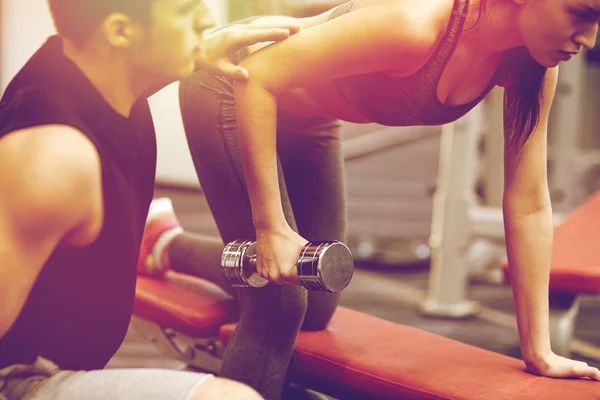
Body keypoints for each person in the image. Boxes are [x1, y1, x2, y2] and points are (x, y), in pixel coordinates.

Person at [137, 0, 600, 398]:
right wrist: (270, 229)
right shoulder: (414, 23)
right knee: (278, 304)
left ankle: (166, 243)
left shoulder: (532, 68)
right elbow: (256, 79)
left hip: (307, 121)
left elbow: (529, 202)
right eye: (581, 13)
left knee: (315, 302)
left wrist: (538, 348)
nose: (590, 38)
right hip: (232, 90)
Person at [0, 1, 302, 399]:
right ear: (120, 32)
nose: (209, 20)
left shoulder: (95, 80)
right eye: (185, 10)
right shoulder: (55, 159)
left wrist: (195, 49)